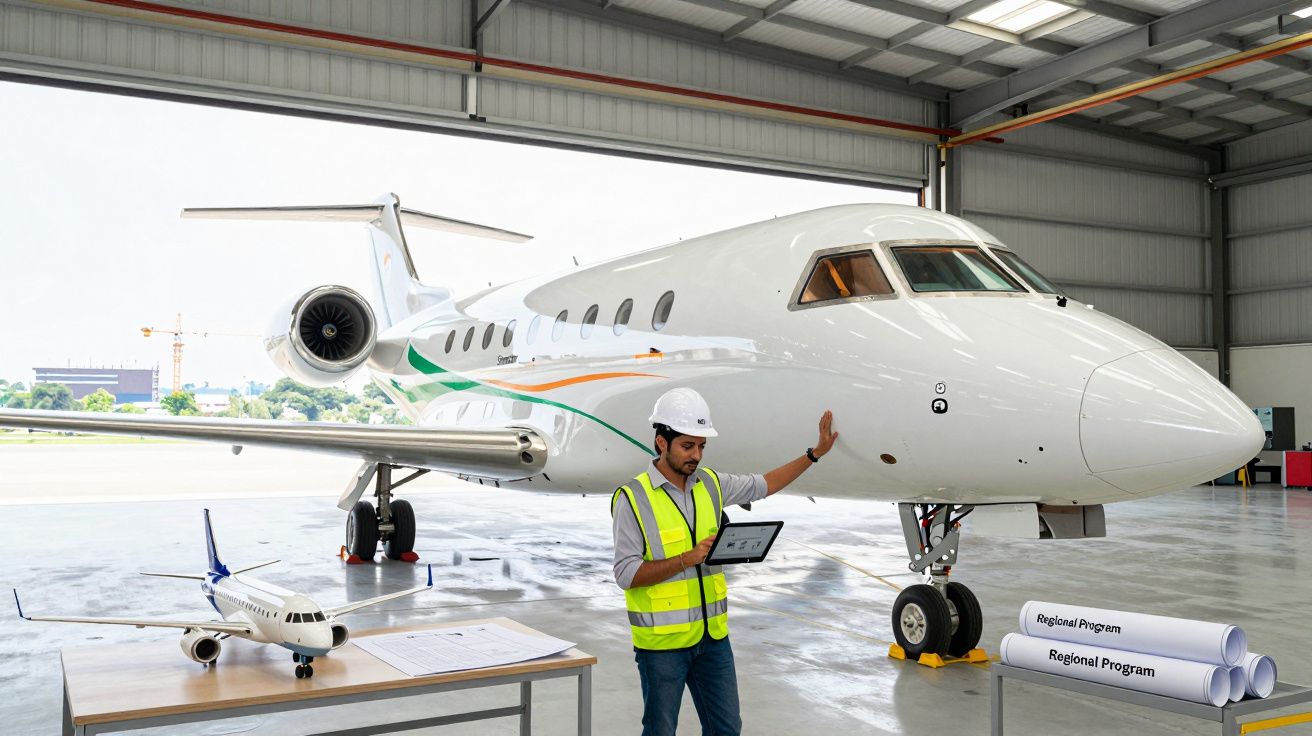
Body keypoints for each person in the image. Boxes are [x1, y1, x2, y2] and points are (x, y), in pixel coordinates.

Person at [611, 387, 838, 736]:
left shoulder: (711, 484)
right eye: (688, 446)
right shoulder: (633, 498)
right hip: (662, 647)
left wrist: (814, 454)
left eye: (701, 446)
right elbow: (626, 574)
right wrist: (687, 558)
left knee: (727, 730)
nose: (696, 455)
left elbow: (765, 485)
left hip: (713, 640)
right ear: (661, 442)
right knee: (660, 731)